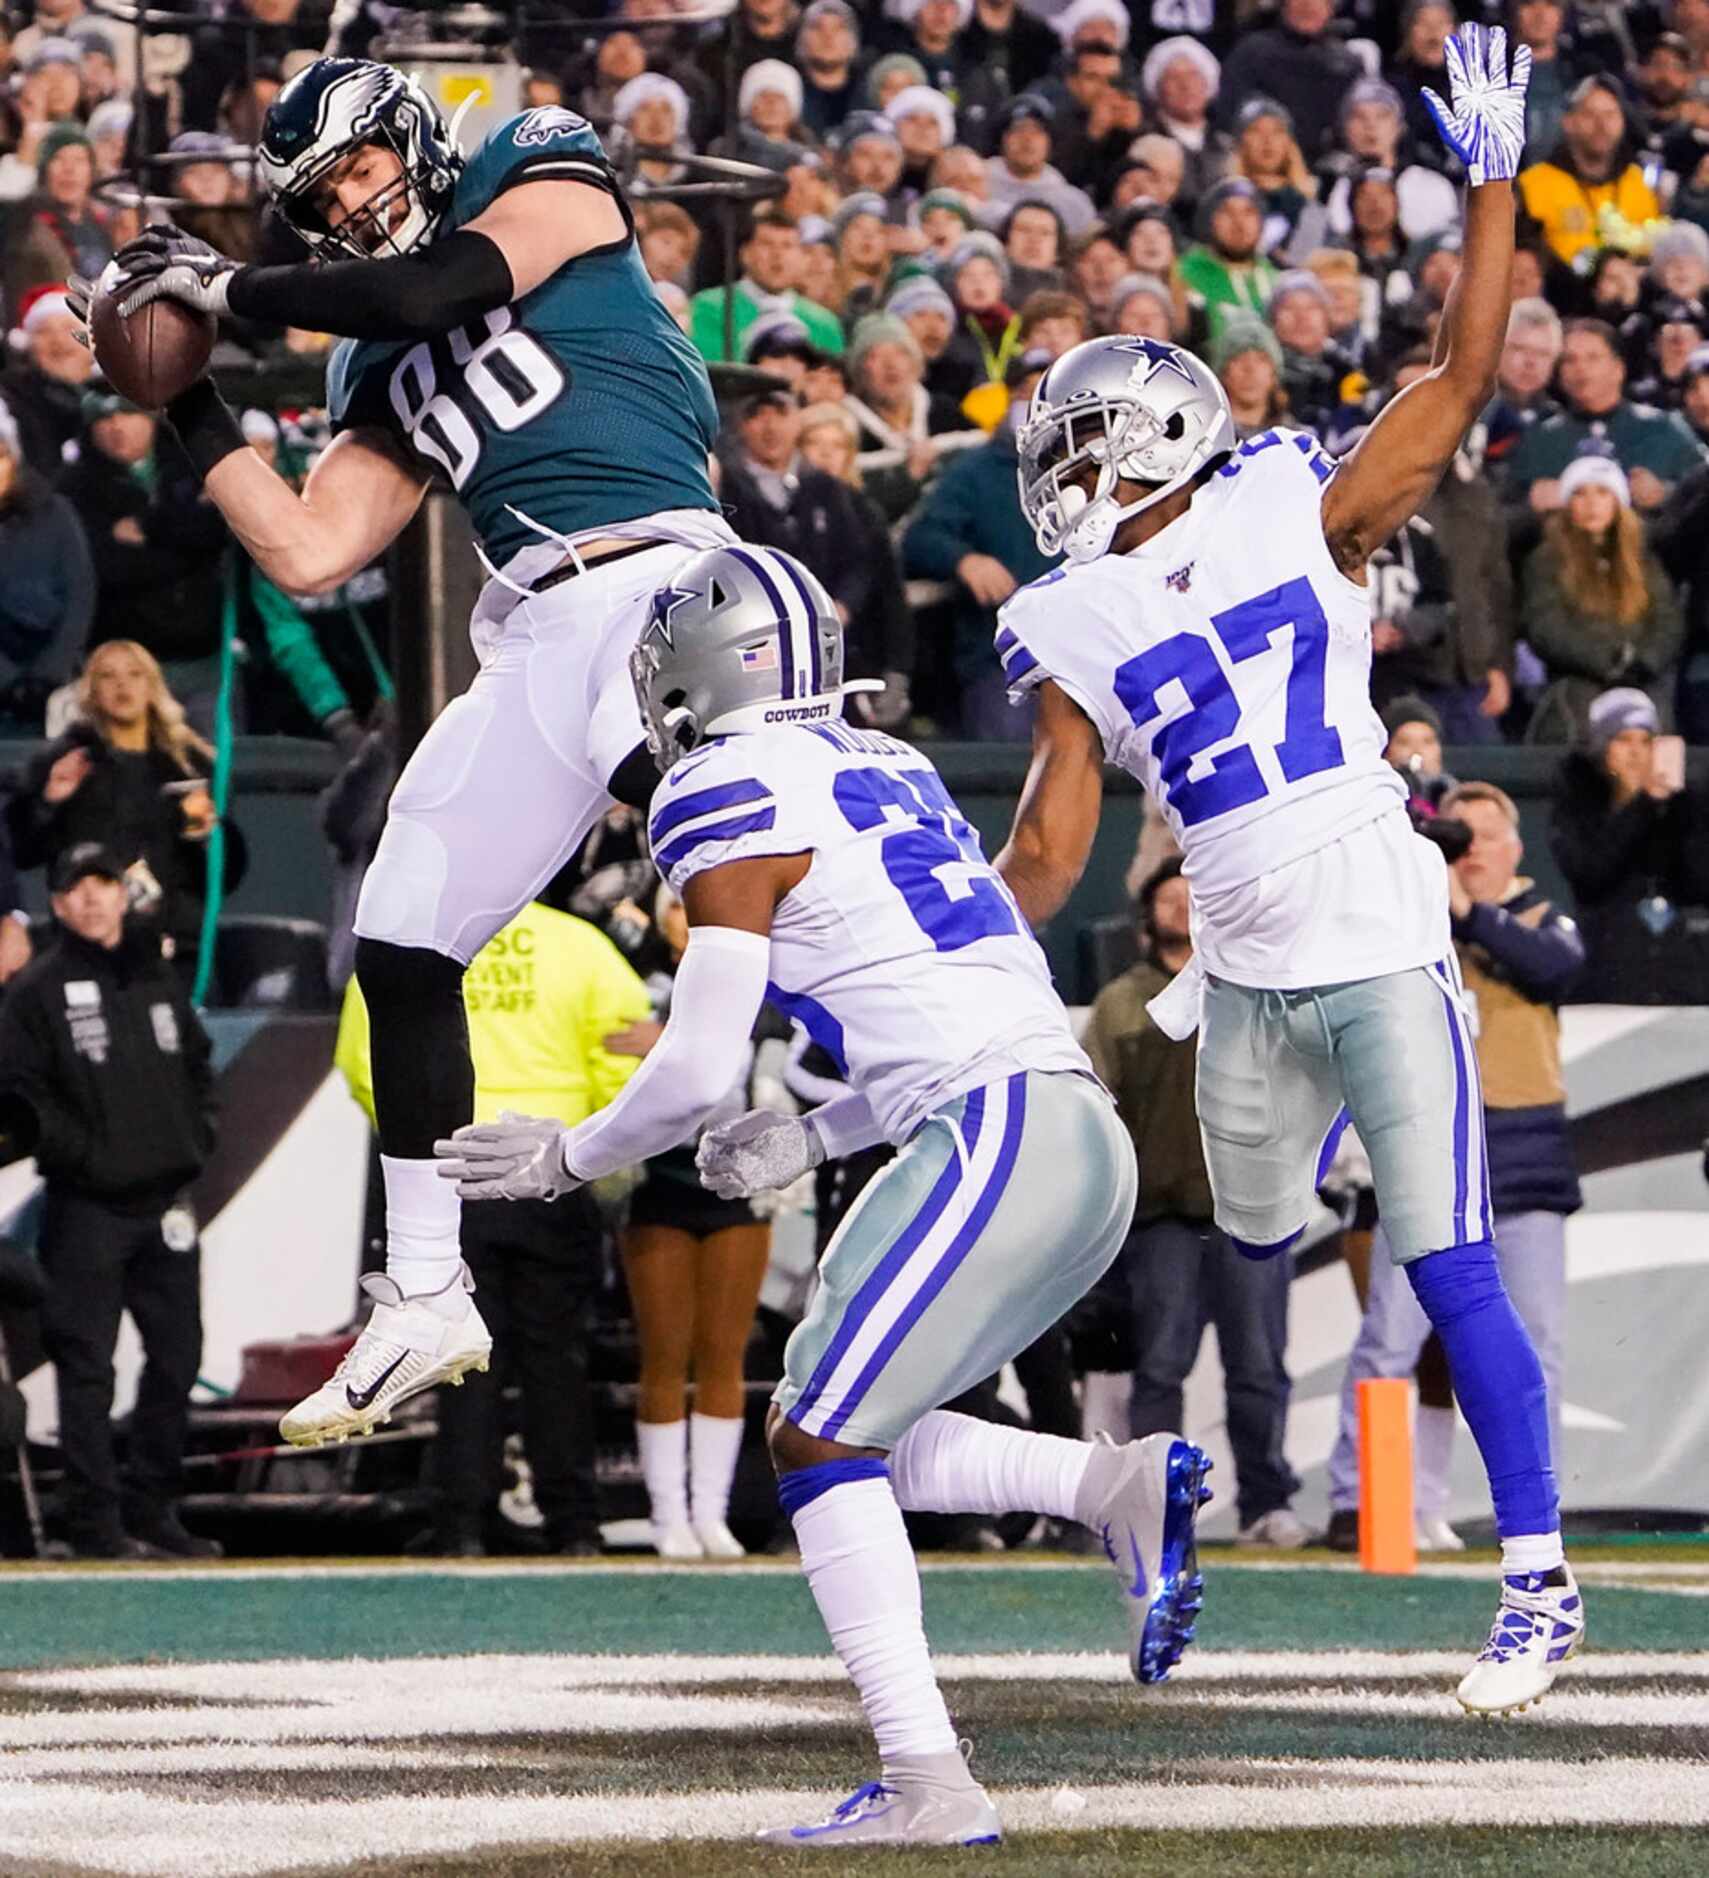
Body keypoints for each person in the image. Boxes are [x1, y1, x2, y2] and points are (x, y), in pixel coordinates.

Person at [436, 543, 1209, 1846]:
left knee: (815, 1436)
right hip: (1063, 1132)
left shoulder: (722, 786)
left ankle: (928, 1778)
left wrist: (565, 1156)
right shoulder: (884, 762)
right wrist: (813, 1130)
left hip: (994, 1131)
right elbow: (943, 981)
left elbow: (689, 1065)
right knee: (840, 1415)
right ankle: (1107, 1487)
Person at [988, 27, 1583, 1715]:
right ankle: (1136, 1478)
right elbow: (1046, 837)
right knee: (1238, 1232)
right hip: (1241, 958)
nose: (1064, 477)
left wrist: (1486, 183)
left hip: (1371, 919)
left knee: (1445, 1251)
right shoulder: (1085, 607)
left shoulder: (1274, 506)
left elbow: (1459, 381)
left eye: (1081, 443)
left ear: (1148, 434)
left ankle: (1533, 1583)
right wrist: (947, 945)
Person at [77, 60, 730, 1451]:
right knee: (404, 932)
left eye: (360, 172)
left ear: (413, 142)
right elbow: (312, 547)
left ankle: (870, 1058)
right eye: (320, 200)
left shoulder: (533, 164)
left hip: (659, 586)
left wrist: (220, 289)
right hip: (535, 636)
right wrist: (184, 392)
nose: (349, 207)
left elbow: (440, 289)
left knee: (739, 854)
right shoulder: (361, 353)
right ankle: (429, 1290)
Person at [336, 895, 651, 1556]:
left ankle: (461, 1526)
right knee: (558, 1359)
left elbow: (364, 1061)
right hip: (550, 1174)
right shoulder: (579, 944)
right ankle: (575, 1527)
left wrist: (421, 1149)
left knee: (460, 1362)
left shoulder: (411, 941)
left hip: (454, 1174)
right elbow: (628, 1055)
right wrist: (581, 1150)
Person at [1325, 782, 1584, 1553]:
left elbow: (1555, 969)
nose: (1466, 851)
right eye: (1454, 838)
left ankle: (1538, 1513)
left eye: (1479, 836)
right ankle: (1359, 1505)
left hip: (1526, 1152)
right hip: (1429, 1143)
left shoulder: (1541, 917)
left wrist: (1467, 913)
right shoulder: (1407, 919)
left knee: (1536, 1339)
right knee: (1390, 1336)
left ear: (1513, 846)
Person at [0, 843, 216, 1560]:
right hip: (86, 1206)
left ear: (123, 896)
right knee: (85, 1364)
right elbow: (22, 1097)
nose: (91, 899)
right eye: (75, 888)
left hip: (166, 1203)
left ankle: (155, 1511)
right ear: (57, 904)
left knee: (177, 1359)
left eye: (102, 885)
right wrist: (82, 1157)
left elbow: (197, 1066)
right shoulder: (35, 991)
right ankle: (96, 1524)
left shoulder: (158, 978)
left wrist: (197, 1138)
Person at [1085, 859, 1306, 1550]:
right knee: (1159, 1369)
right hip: (1161, 1218)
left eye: (1191, 895)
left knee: (1258, 1368)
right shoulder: (1120, 1002)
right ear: (1144, 916)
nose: (1180, 907)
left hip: (1251, 1212)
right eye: (1166, 898)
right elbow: (1092, 1107)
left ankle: (1265, 1506)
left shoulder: (1256, 989)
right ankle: (1156, 1508)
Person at [616, 886, 777, 1560]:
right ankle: (665, 1516)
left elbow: (749, 1084)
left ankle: (711, 1514)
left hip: (732, 1185)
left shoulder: (761, 992)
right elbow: (615, 1066)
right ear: (659, 921)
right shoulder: (634, 990)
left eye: (694, 903)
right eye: (674, 908)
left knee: (724, 1353)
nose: (687, 916)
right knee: (663, 1354)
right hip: (659, 1183)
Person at [6, 641, 242, 976]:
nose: (122, 685)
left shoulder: (193, 768)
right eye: (108, 676)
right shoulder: (67, 764)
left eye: (134, 675)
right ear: (91, 691)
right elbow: (21, 851)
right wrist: (48, 801)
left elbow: (224, 875)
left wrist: (206, 836)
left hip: (175, 943)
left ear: (152, 686)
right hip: (87, 944)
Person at [902, 350, 1057, 739]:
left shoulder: (1098, 467)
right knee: (1008, 779)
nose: (1036, 401)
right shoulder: (976, 471)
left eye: (1047, 390)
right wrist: (965, 560)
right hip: (1003, 660)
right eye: (1025, 390)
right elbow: (920, 538)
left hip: (1088, 657)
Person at [1549, 686, 1709, 1000]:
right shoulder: (1577, 802)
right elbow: (1590, 875)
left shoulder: (1686, 804)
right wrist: (1642, 805)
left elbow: (1698, 884)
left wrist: (1682, 808)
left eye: (1646, 741)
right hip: (1606, 963)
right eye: (1623, 740)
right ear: (1601, 748)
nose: (1636, 752)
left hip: (1681, 965)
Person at [1519, 454, 1685, 742]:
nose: (1592, 504)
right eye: (1580, 493)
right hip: (1575, 687)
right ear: (1567, 503)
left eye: (1602, 492)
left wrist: (1644, 662)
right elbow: (1546, 626)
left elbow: (1667, 619)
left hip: (1643, 683)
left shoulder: (1643, 559)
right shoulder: (1547, 560)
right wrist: (1606, 663)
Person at [1505, 319, 1706, 517]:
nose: (1580, 368)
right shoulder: (1540, 438)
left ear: (1619, 369)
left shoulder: (1664, 429)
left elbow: (1703, 494)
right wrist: (1530, 506)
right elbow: (1500, 514)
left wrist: (1666, 494)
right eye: (1570, 360)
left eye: (1592, 358)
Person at [0, 392, 91, 732]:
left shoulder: (55, 513)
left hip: (55, 687)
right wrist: (8, 678)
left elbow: (80, 595)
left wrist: (49, 673)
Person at [1517, 74, 1660, 270]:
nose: (1601, 125)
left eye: (1610, 115)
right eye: (1589, 114)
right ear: (1568, 122)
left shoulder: (1637, 182)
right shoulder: (1533, 184)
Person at [688, 209, 846, 362]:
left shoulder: (825, 324)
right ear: (745, 254)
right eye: (766, 244)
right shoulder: (709, 308)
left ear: (802, 258)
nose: (777, 254)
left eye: (787, 246)